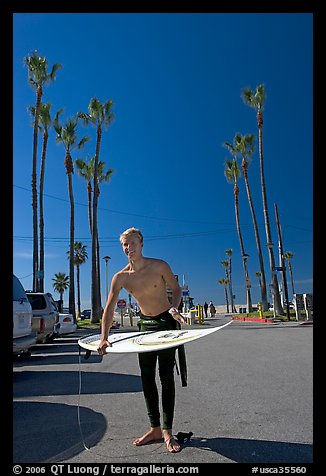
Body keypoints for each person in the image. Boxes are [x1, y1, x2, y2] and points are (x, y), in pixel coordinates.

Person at [97, 227, 186, 453]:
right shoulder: (121, 277)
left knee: (166, 376)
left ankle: (167, 429)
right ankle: (154, 428)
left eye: (132, 243)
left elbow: (176, 289)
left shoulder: (159, 266)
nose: (129, 248)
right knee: (147, 378)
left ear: (141, 243)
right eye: (125, 245)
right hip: (145, 325)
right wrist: (103, 338)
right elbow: (108, 309)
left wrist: (175, 308)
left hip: (166, 322)